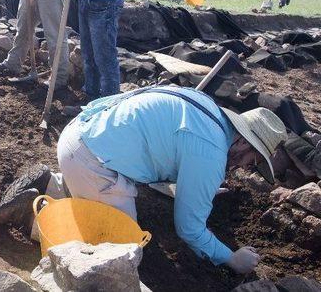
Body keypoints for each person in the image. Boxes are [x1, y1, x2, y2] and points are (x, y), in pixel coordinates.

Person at [56, 85, 288, 274]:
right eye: (253, 160)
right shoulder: (211, 152)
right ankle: (65, 207)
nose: (247, 167)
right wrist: (231, 258)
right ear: (245, 142)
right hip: (89, 160)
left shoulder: (207, 107)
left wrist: (198, 184)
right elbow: (189, 229)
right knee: (126, 255)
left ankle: (62, 188)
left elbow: (171, 146)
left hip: (81, 129)